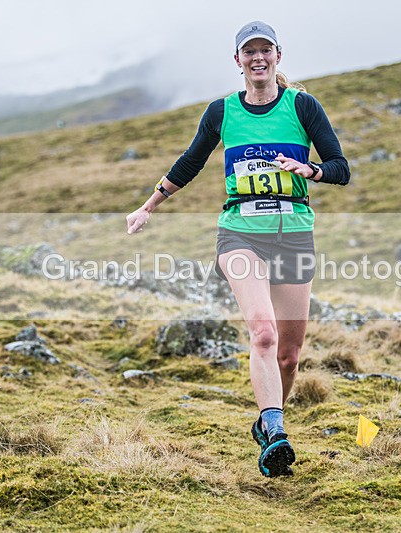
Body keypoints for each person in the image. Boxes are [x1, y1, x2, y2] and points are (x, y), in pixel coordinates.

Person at [126, 21, 350, 477]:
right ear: (238, 62)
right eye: (249, 52)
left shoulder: (302, 106)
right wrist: (149, 205)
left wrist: (309, 170)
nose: (258, 58)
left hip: (293, 232)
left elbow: (341, 168)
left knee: (288, 354)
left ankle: (269, 421)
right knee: (263, 333)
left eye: (265, 50)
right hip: (240, 231)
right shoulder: (222, 111)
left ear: (278, 56)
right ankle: (277, 430)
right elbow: (190, 161)